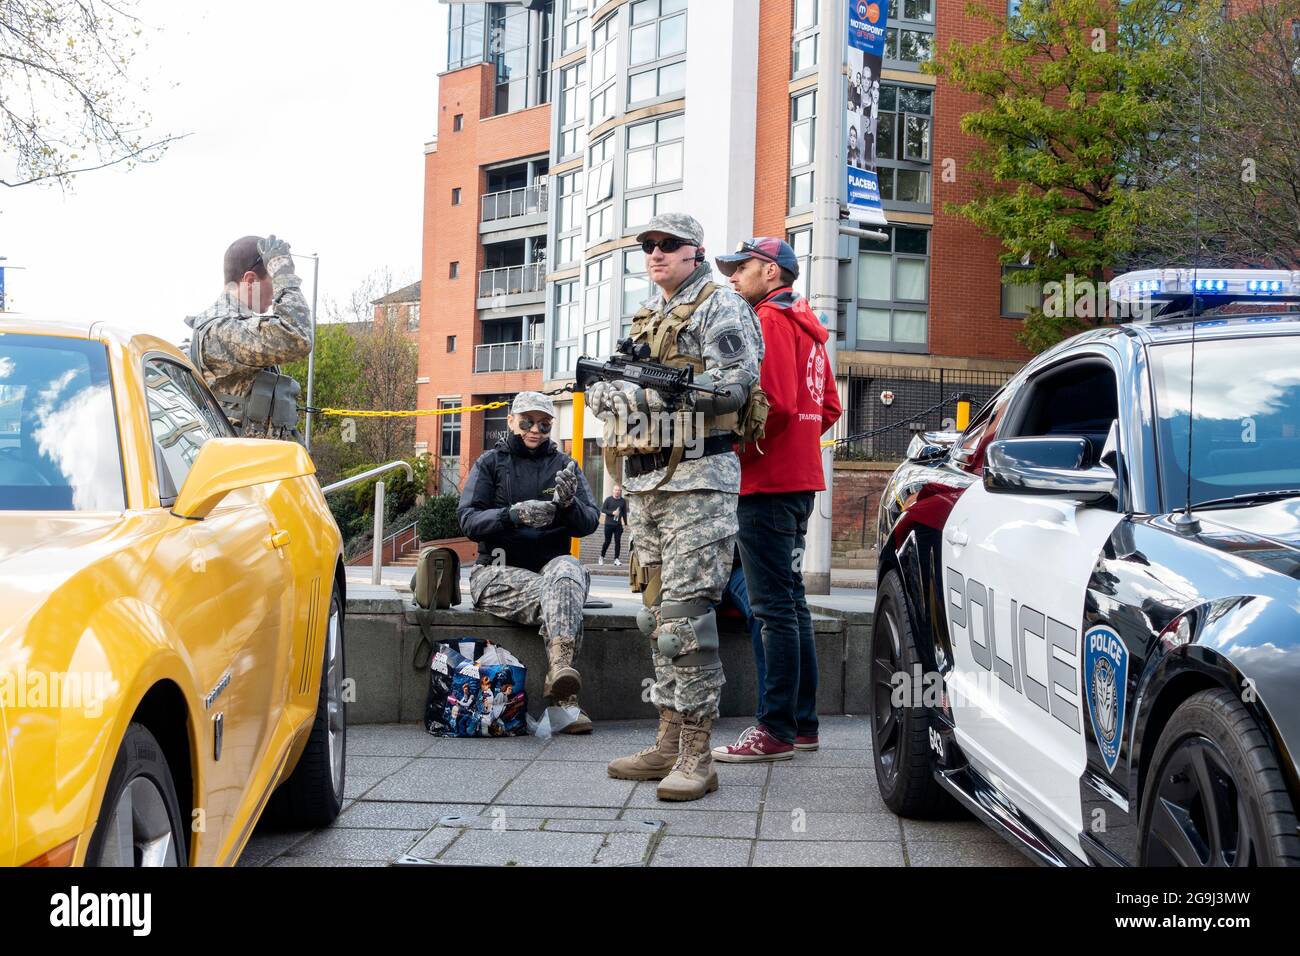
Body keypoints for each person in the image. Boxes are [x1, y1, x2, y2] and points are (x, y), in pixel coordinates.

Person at [590, 213, 763, 802]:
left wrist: (654, 389)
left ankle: (697, 752)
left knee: (686, 620)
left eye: (669, 245)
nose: (656, 253)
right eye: (648, 246)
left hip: (699, 481)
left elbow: (734, 387)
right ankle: (667, 739)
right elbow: (611, 389)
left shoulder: (722, 306)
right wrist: (614, 393)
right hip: (645, 486)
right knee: (655, 618)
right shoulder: (649, 316)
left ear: (697, 252)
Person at [710, 237, 842, 762]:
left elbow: (777, 405)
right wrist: (795, 444)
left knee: (770, 610)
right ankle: (801, 725)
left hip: (764, 483)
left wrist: (733, 447)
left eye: (740, 269)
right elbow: (827, 405)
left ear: (768, 271)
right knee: (791, 604)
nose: (732, 279)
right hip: (800, 479)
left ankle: (775, 730)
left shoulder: (765, 321)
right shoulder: (808, 326)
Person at [457, 391, 601, 734]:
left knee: (567, 570)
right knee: (563, 592)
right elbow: (467, 520)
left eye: (544, 424)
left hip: (550, 568)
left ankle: (561, 673)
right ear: (511, 422)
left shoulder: (565, 465)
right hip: (495, 572)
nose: (535, 430)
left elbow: (590, 521)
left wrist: (569, 506)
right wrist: (511, 515)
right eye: (527, 422)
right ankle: (565, 706)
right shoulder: (490, 463)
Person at [185, 234, 312, 441]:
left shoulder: (235, 325)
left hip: (251, 463)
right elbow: (297, 336)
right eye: (274, 283)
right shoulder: (222, 329)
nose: (276, 295)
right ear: (251, 281)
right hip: (238, 465)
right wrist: (283, 274)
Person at [598, 485, 629, 565]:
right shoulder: (608, 500)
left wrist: (625, 524)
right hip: (608, 524)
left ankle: (616, 559)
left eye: (619, 490)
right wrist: (612, 513)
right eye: (616, 490)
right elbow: (603, 509)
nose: (617, 492)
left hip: (618, 525)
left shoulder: (623, 501)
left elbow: (624, 513)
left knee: (618, 541)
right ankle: (601, 556)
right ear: (613, 491)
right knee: (607, 541)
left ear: (620, 492)